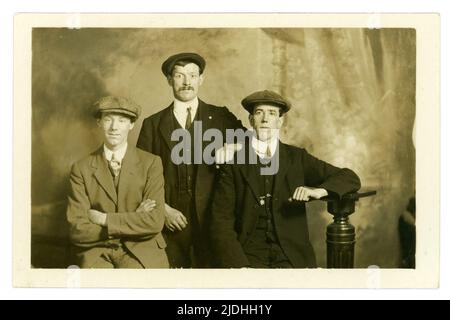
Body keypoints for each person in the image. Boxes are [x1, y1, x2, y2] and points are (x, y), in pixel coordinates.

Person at [210, 90, 361, 268]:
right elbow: (220, 221)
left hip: (292, 256)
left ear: (280, 121)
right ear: (251, 120)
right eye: (259, 113)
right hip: (248, 256)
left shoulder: (297, 158)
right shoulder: (235, 162)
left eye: (272, 113)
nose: (265, 119)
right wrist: (240, 267)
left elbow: (350, 177)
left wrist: (318, 191)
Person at [137, 52, 243, 268]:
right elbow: (139, 176)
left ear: (201, 79)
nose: (187, 82)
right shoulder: (152, 124)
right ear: (169, 80)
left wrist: (233, 146)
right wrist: (163, 210)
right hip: (171, 220)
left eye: (193, 76)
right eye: (179, 76)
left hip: (213, 218)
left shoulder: (221, 117)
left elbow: (253, 144)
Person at [66, 96, 168, 268]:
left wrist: (104, 219)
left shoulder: (151, 163)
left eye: (122, 121)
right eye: (108, 120)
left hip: (142, 250)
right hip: (97, 251)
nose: (114, 127)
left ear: (131, 125)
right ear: (99, 122)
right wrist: (135, 218)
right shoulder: (80, 168)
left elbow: (155, 222)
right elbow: (77, 230)